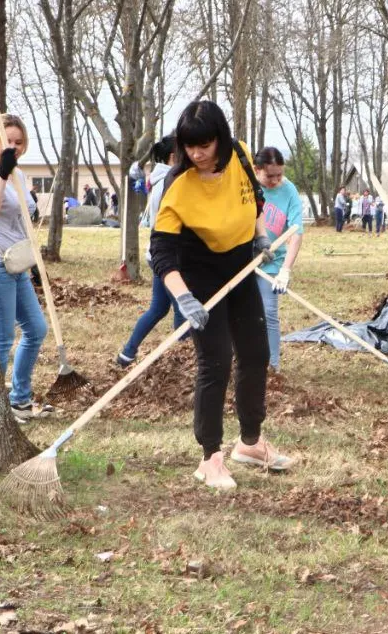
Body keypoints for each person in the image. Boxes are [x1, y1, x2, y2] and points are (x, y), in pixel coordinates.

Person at [150, 100, 296, 489]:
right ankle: (210, 458)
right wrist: (183, 297)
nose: (197, 153)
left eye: (205, 144)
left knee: (255, 353)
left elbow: (255, 199)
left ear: (221, 139)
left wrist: (260, 235)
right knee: (215, 361)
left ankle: (249, 442)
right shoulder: (178, 186)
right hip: (198, 275)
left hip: (240, 268)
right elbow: (162, 251)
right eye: (189, 145)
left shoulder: (241, 156)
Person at [0, 113, 52, 425]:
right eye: (9, 141)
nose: (15, 147)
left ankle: (19, 398)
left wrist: (33, 263)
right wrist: (2, 174)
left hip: (18, 263)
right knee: (2, 340)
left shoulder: (18, 173)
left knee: (36, 329)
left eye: (20, 142)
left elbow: (23, 218)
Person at [117, 135, 184, 367]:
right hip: (169, 256)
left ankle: (127, 352)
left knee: (159, 308)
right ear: (174, 157)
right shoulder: (172, 181)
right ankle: (186, 358)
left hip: (156, 254)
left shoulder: (157, 178)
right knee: (183, 309)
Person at [250, 147, 306, 374]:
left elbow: (296, 232)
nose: (275, 181)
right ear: (257, 170)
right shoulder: (246, 187)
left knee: (268, 313)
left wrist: (286, 270)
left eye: (279, 175)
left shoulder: (289, 190)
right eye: (269, 176)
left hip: (272, 261)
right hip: (243, 260)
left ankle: (272, 366)